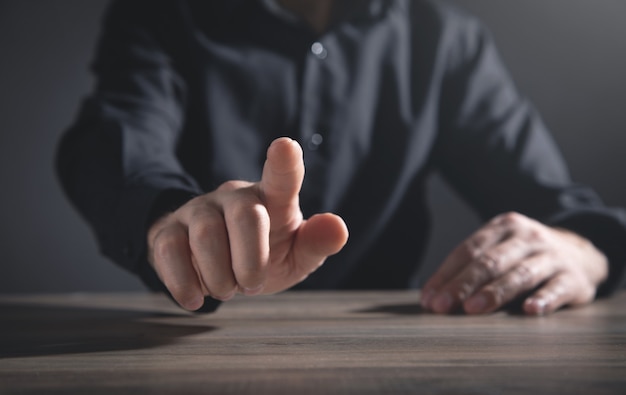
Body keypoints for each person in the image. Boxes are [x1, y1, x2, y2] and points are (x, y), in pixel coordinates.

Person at [57, 0, 626, 315]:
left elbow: (552, 204)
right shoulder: (163, 15)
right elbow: (112, 143)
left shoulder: (443, 39)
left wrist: (583, 249)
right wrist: (170, 219)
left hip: (390, 357)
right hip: (193, 344)